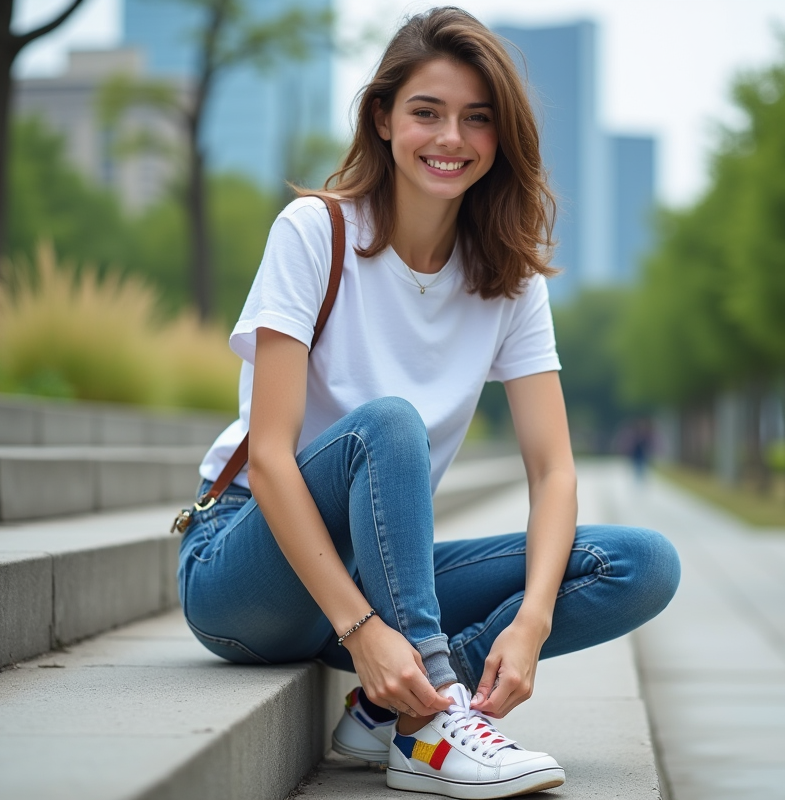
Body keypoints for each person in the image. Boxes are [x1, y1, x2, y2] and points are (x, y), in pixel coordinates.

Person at [176, 8, 681, 798]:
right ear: (383, 119)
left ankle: (388, 709)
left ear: (500, 138)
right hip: (246, 565)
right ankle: (429, 725)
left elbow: (554, 473)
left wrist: (532, 621)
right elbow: (271, 458)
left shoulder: (506, 281)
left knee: (641, 563)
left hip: (368, 579)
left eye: (477, 120)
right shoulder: (316, 232)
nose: (451, 138)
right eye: (427, 112)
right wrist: (362, 629)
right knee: (388, 422)